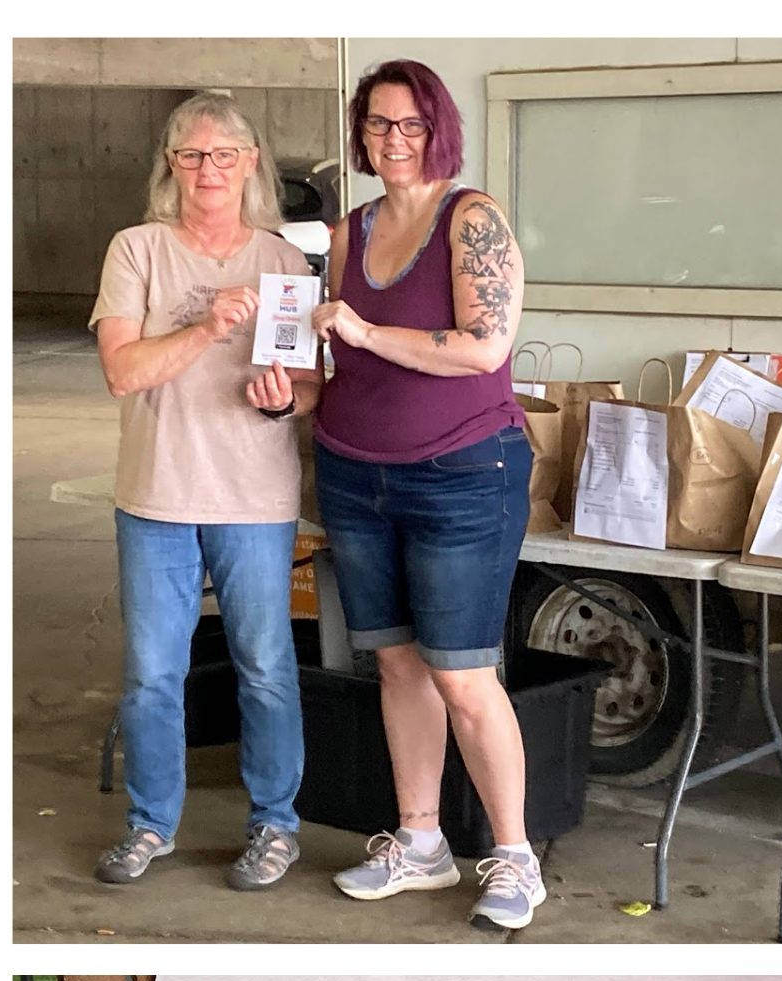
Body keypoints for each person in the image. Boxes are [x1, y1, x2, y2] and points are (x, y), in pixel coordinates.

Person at [302, 59, 539, 931]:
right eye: (376, 125)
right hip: (354, 470)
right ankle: (422, 842)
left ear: (436, 127)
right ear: (360, 133)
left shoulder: (471, 219)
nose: (392, 140)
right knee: (396, 662)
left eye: (407, 124)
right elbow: (327, 358)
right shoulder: (344, 235)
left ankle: (513, 856)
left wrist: (363, 329)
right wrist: (289, 385)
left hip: (463, 471)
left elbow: (483, 347)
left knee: (463, 671)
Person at [89, 93, 314, 890]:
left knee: (265, 663)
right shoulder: (138, 251)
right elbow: (123, 371)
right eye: (191, 155)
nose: (208, 169)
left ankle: (275, 826)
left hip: (255, 499)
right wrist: (205, 328)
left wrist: (285, 400)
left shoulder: (285, 263)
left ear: (251, 163)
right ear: (171, 166)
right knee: (153, 670)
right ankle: (152, 826)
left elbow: (310, 387)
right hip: (156, 497)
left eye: (224, 155)